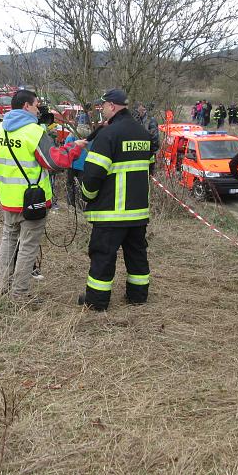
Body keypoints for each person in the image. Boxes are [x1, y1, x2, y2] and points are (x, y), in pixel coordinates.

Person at [0, 90, 86, 301]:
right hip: (32, 201)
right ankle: (20, 293)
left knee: (8, 241)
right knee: (27, 246)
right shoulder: (33, 132)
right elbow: (55, 162)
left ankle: (1, 285)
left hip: (7, 198)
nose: (38, 109)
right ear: (26, 106)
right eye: (36, 104)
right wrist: (74, 148)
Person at [78, 89, 152, 311]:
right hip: (138, 211)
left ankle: (97, 301)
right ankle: (138, 296)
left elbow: (93, 174)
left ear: (112, 105)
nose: (102, 110)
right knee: (137, 254)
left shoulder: (107, 135)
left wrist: (87, 196)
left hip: (111, 212)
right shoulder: (143, 134)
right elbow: (150, 169)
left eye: (103, 106)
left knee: (103, 256)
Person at [64, 124, 91, 208]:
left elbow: (65, 148)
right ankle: (81, 205)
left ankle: (71, 204)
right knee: (81, 186)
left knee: (70, 184)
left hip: (72, 165)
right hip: (84, 166)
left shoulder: (71, 136)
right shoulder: (90, 138)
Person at [134, 102, 160, 175]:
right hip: (138, 154)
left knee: (148, 175)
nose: (138, 111)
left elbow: (155, 139)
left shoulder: (151, 121)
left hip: (149, 155)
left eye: (140, 109)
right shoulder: (137, 119)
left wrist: (151, 152)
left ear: (144, 109)